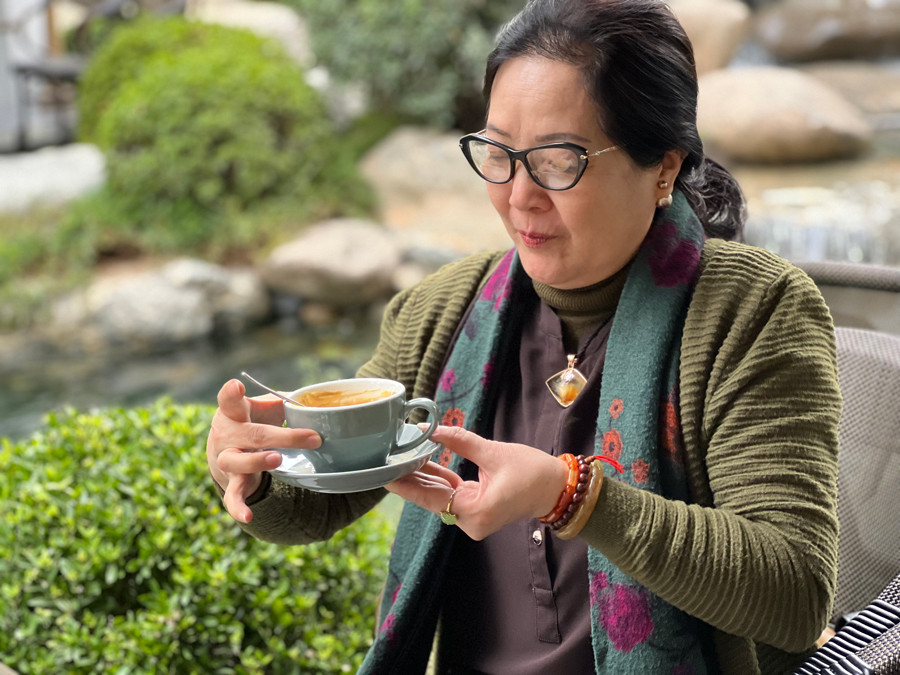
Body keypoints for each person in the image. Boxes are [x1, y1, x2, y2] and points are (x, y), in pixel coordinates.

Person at [206, 1, 841, 672]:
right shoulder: (442, 310)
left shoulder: (754, 310)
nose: (519, 196)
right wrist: (253, 466)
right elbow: (314, 506)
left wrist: (570, 495)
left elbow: (796, 592)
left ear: (662, 166)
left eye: (558, 161)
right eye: (499, 154)